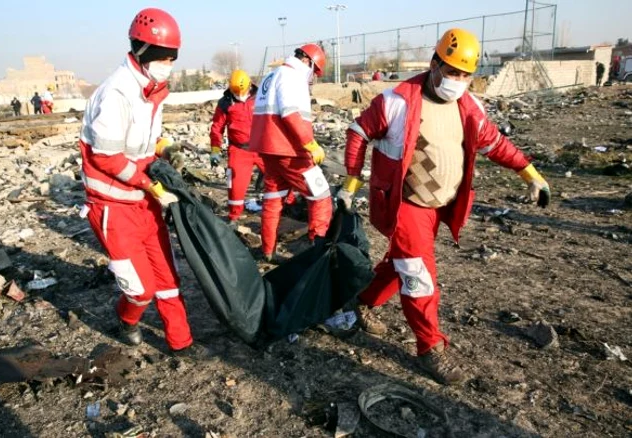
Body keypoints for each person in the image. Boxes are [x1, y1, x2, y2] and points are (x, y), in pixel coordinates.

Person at [337, 29, 551, 385]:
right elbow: (358, 132)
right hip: (406, 204)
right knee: (419, 276)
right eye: (452, 71)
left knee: (402, 263)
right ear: (435, 64)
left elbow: (495, 143)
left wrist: (530, 174)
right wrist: (352, 181)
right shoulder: (397, 101)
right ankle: (429, 348)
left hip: (439, 207)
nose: (458, 81)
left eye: (466, 75)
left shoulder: (469, 107)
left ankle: (362, 300)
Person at [79, 7, 194, 352]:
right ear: (141, 51)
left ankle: (181, 340)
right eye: (163, 57)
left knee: (168, 278)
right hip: (113, 206)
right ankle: (126, 319)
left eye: (172, 57)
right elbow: (106, 157)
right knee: (140, 289)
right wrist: (147, 182)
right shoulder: (117, 92)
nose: (168, 63)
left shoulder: (150, 89)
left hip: (143, 203)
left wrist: (164, 147)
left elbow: (143, 140)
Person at [249, 44, 331, 263]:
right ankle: (319, 253)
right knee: (320, 195)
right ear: (307, 61)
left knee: (273, 199)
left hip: (268, 149)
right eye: (315, 71)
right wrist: (310, 144)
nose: (313, 76)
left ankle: (268, 251)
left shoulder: (272, 75)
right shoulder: (292, 76)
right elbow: (290, 113)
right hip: (290, 151)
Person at [210, 69, 263, 225]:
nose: (240, 94)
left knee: (280, 176)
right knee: (235, 185)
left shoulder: (261, 97)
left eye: (243, 91)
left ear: (249, 85)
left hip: (262, 147)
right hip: (239, 150)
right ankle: (234, 217)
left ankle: (290, 204)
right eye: (236, 92)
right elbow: (217, 127)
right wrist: (215, 149)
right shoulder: (225, 103)